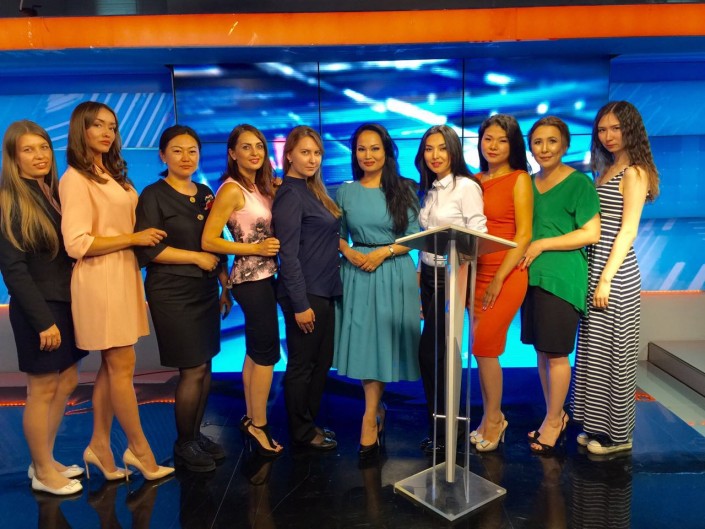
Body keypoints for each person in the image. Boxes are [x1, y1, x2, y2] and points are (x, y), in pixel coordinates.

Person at [59, 101, 173, 480]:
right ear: (81, 130)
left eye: (112, 126)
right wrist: (132, 238)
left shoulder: (109, 173)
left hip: (122, 273)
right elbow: (76, 242)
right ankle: (140, 450)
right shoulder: (75, 179)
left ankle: (99, 446)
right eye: (98, 125)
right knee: (122, 365)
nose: (107, 133)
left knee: (114, 368)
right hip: (99, 278)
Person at [135, 125, 231, 472]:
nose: (186, 157)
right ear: (163, 155)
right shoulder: (153, 195)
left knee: (205, 366)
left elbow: (215, 240)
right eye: (177, 150)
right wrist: (195, 258)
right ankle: (183, 444)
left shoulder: (205, 193)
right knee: (191, 368)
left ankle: (195, 434)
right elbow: (150, 249)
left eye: (192, 150)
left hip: (205, 289)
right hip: (172, 291)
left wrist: (224, 283)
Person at [0, 121, 88, 495]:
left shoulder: (51, 192)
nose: (39, 155)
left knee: (66, 382)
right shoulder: (9, 201)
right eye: (28, 149)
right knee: (41, 390)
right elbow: (14, 270)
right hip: (39, 309)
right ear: (13, 157)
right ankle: (41, 470)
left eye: (44, 147)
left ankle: (45, 461)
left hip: (65, 303)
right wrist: (42, 322)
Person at [572, 101, 659, 455]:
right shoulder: (606, 169)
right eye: (603, 129)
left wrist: (607, 278)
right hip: (595, 266)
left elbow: (628, 230)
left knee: (617, 351)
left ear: (631, 129)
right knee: (596, 350)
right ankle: (597, 425)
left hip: (616, 270)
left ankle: (619, 435)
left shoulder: (635, 172)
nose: (608, 136)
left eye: (616, 128)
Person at [334, 123, 421, 459]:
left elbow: (414, 236)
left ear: (387, 151)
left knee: (381, 344)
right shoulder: (345, 192)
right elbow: (337, 234)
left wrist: (382, 253)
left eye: (374, 148)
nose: (367, 155)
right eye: (361, 149)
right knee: (364, 345)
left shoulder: (404, 189)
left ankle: (369, 416)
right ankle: (375, 410)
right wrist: (349, 252)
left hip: (392, 271)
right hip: (356, 273)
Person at [201, 123, 283, 457]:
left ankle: (251, 418)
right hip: (250, 279)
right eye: (246, 147)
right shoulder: (231, 190)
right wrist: (254, 249)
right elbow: (209, 240)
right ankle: (259, 426)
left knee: (255, 351)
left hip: (265, 276)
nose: (254, 152)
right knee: (266, 354)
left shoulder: (259, 186)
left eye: (259, 146)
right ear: (232, 153)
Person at [519, 116, 600, 454]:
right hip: (531, 277)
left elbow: (591, 233)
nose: (545, 148)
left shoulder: (579, 183)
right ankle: (553, 414)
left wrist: (542, 244)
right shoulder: (527, 183)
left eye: (552, 141)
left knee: (556, 353)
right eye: (538, 142)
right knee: (542, 351)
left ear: (565, 144)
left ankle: (555, 420)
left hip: (562, 278)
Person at [416, 124, 487, 454]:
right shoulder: (430, 189)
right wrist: (420, 275)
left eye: (442, 148)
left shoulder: (466, 187)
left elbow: (477, 236)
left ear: (454, 150)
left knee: (437, 355)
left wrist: (458, 279)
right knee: (434, 356)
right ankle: (440, 427)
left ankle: (451, 429)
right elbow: (426, 239)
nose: (435, 155)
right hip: (429, 275)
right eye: (429, 148)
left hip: (452, 276)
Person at [272, 125, 341, 451]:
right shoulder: (290, 193)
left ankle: (309, 423)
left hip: (324, 290)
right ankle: (301, 431)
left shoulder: (313, 190)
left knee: (320, 363)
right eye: (304, 152)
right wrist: (300, 304)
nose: (312, 159)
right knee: (302, 365)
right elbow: (287, 254)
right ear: (289, 156)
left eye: (316, 153)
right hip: (305, 293)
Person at [470, 114, 532, 452]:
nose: (493, 146)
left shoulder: (519, 179)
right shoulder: (475, 180)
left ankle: (495, 419)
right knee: (482, 351)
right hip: (476, 274)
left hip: (506, 274)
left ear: (513, 145)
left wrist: (497, 278)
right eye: (488, 139)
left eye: (502, 140)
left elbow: (523, 236)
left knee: (485, 346)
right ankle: (489, 416)